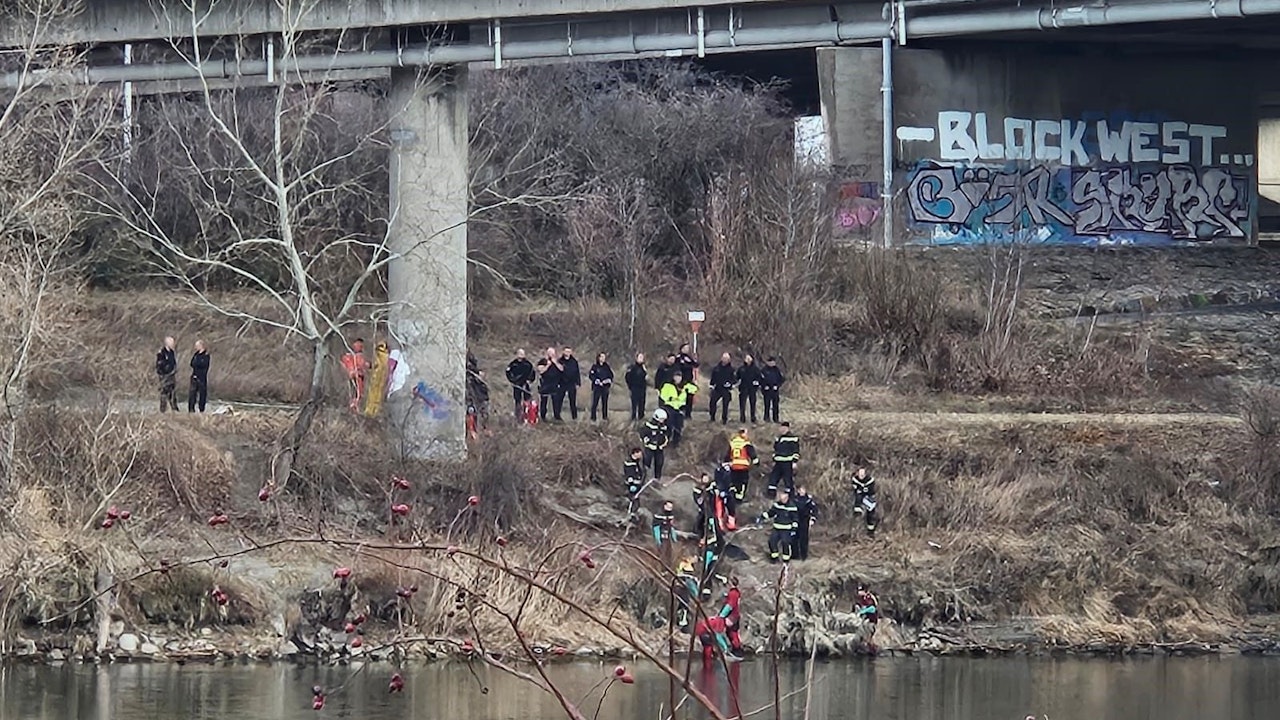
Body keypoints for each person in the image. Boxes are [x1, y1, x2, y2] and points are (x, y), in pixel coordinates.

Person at [762, 490, 797, 564]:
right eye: (782, 497)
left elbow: (795, 519)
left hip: (786, 529)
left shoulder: (792, 507)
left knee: (785, 543)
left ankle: (786, 560)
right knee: (772, 541)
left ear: (787, 497)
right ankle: (774, 557)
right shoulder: (777, 505)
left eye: (785, 498)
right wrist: (763, 516)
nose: (783, 499)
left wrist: (794, 529)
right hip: (776, 528)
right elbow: (771, 513)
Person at [768, 421, 800, 497]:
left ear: (787, 428)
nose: (782, 430)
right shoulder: (778, 438)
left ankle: (790, 496)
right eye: (781, 428)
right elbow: (775, 450)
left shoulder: (793, 438)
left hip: (787, 462)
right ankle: (771, 495)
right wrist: (774, 459)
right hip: (778, 462)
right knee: (773, 479)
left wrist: (794, 462)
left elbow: (796, 451)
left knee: (788, 480)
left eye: (784, 428)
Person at [658, 371, 690, 446]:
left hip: (680, 408)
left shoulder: (684, 386)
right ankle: (666, 440)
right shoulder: (668, 385)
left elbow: (694, 389)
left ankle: (676, 442)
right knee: (669, 425)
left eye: (679, 377)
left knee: (678, 426)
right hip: (670, 407)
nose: (678, 378)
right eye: (676, 376)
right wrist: (670, 398)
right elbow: (662, 395)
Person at [726, 428, 757, 503]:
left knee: (734, 482)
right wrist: (756, 462)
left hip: (733, 466)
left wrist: (726, 463)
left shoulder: (733, 442)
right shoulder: (745, 443)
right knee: (743, 483)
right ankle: (739, 498)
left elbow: (728, 455)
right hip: (743, 467)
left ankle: (733, 496)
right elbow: (752, 453)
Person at [505, 349, 536, 420]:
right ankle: (518, 415)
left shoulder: (528, 364)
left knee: (527, 400)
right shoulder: (513, 364)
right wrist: (513, 381)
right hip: (516, 385)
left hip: (526, 385)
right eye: (519, 354)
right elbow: (508, 373)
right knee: (517, 400)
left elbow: (532, 374)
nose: (520, 356)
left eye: (522, 354)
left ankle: (527, 415)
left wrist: (529, 381)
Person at [537, 348, 565, 422]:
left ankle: (557, 416)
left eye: (552, 353)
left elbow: (562, 369)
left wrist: (555, 363)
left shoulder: (558, 361)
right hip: (545, 384)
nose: (551, 355)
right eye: (550, 353)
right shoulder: (543, 361)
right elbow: (541, 371)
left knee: (556, 401)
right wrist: (547, 365)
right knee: (544, 401)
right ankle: (543, 416)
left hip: (555, 384)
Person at [707, 353, 735, 425]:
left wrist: (730, 384)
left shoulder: (731, 369)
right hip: (717, 388)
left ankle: (724, 419)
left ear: (729, 360)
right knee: (712, 402)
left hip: (726, 389)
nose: (725, 360)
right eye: (724, 358)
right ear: (721, 358)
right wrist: (711, 385)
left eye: (727, 358)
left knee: (725, 404)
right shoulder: (716, 368)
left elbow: (734, 379)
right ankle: (712, 417)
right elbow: (713, 378)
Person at [640, 409, 669, 480]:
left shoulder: (664, 427)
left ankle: (657, 478)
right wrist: (647, 442)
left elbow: (666, 435)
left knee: (659, 462)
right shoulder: (649, 425)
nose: (663, 421)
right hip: (649, 447)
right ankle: (645, 477)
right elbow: (643, 434)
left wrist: (664, 442)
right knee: (647, 462)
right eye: (661, 419)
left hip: (659, 448)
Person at [341, 338, 368, 412]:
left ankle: (355, 409)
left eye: (360, 345)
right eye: (358, 345)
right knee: (356, 395)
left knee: (358, 395)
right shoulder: (351, 356)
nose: (359, 347)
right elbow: (344, 363)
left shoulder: (358, 356)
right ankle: (353, 409)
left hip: (359, 377)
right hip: (355, 378)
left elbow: (364, 365)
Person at [718, 577, 744, 656]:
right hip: (735, 616)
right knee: (731, 632)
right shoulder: (737, 593)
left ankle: (736, 650)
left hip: (732, 616)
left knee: (732, 633)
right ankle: (736, 649)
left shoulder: (733, 593)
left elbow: (730, 605)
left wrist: (722, 615)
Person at [852, 466, 879, 536]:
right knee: (858, 495)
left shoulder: (870, 480)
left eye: (863, 474)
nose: (861, 476)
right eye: (860, 474)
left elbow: (872, 491)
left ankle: (871, 531)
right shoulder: (855, 479)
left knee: (870, 515)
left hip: (869, 498)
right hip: (860, 497)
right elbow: (855, 490)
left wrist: (865, 491)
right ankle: (857, 510)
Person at [735, 354, 762, 424]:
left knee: (753, 403)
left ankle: (753, 417)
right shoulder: (741, 368)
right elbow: (736, 377)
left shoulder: (755, 369)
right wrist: (736, 382)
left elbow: (760, 377)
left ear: (752, 360)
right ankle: (742, 417)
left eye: (749, 359)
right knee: (742, 403)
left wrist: (757, 382)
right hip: (743, 388)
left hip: (752, 389)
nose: (748, 360)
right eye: (746, 359)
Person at [793, 486, 818, 561]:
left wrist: (813, 519)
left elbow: (814, 510)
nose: (802, 491)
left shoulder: (808, 500)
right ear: (798, 491)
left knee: (803, 539)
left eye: (803, 490)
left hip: (804, 520)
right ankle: (795, 555)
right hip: (795, 520)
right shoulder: (794, 499)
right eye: (800, 490)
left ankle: (804, 555)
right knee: (794, 538)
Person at [675, 343, 699, 417]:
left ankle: (688, 414)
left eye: (688, 348)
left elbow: (696, 365)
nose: (687, 350)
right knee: (681, 398)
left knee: (690, 398)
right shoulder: (678, 358)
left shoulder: (689, 358)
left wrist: (694, 360)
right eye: (685, 348)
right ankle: (680, 412)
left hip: (689, 381)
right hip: (682, 381)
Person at [155, 336, 179, 413]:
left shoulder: (172, 353)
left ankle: (174, 409)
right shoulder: (161, 353)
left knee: (172, 393)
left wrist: (174, 370)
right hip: (164, 376)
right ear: (167, 343)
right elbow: (159, 365)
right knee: (164, 393)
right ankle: (163, 410)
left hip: (171, 375)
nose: (173, 344)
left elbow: (174, 363)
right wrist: (163, 373)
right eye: (172, 342)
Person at [713, 461, 738, 531]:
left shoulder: (732, 471)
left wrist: (732, 490)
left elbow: (733, 482)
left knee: (731, 508)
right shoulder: (719, 471)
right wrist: (720, 491)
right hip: (721, 492)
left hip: (729, 493)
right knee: (720, 509)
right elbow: (718, 481)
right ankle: (720, 525)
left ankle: (731, 523)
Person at [588, 352, 613, 421]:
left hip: (605, 387)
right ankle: (593, 417)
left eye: (604, 357)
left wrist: (607, 380)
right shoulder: (595, 366)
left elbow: (611, 375)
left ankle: (605, 417)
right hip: (597, 387)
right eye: (601, 357)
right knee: (595, 402)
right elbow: (591, 375)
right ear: (598, 358)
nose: (603, 358)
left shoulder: (606, 367)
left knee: (605, 402)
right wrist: (596, 380)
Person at [760, 357, 785, 424]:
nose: (772, 363)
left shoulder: (777, 370)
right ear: (768, 362)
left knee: (775, 405)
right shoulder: (764, 370)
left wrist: (777, 386)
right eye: (770, 362)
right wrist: (764, 386)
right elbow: (760, 379)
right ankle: (766, 418)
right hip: (767, 390)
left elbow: (781, 379)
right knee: (767, 405)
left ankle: (776, 418)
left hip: (775, 390)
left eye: (773, 362)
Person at [188, 340, 211, 413]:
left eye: (197, 345)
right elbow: (192, 363)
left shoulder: (206, 356)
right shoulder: (196, 354)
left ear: (201, 346)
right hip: (194, 376)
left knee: (202, 395)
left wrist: (197, 363)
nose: (195, 347)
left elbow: (203, 365)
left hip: (202, 378)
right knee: (192, 394)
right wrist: (197, 363)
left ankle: (201, 410)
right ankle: (191, 409)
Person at [624, 353, 648, 421]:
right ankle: (633, 418)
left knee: (642, 404)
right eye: (640, 357)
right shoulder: (632, 367)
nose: (641, 359)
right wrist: (630, 386)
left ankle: (641, 417)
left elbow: (646, 378)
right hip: (634, 388)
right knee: (634, 404)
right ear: (636, 358)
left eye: (642, 358)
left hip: (642, 389)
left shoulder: (644, 368)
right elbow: (627, 377)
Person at [560, 347, 582, 420]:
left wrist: (578, 382)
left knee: (572, 401)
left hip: (571, 383)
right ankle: (557, 415)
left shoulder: (574, 361)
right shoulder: (560, 361)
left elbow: (577, 372)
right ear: (563, 352)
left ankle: (574, 417)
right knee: (559, 400)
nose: (567, 353)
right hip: (562, 383)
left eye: (569, 351)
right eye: (566, 351)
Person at [624, 447, 645, 514]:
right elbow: (629, 474)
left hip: (637, 484)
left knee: (636, 499)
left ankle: (635, 511)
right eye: (639, 453)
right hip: (632, 485)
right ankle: (630, 512)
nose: (641, 455)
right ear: (635, 453)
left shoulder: (637, 462)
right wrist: (631, 484)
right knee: (633, 499)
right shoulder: (629, 463)